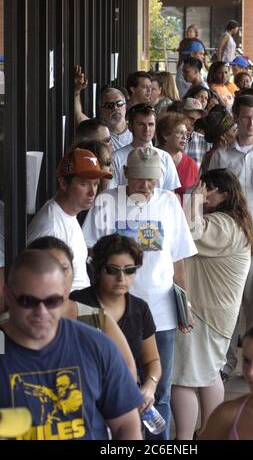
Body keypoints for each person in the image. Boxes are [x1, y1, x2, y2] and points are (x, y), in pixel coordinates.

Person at [83, 147, 197, 439]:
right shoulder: (107, 201)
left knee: (159, 393)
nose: (146, 186)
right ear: (126, 174)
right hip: (116, 313)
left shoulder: (169, 201)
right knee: (114, 391)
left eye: (152, 179)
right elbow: (90, 254)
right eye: (140, 179)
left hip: (161, 312)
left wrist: (184, 303)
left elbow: (178, 258)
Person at [0, 250, 143, 440]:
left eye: (52, 301)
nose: (41, 311)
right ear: (8, 296)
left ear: (65, 296)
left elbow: (126, 424)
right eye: (28, 301)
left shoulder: (94, 344)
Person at [171, 169, 253, 440]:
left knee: (181, 379)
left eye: (207, 188)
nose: (201, 191)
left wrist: (193, 200)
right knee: (208, 374)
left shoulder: (223, 224)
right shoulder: (234, 222)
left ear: (224, 194)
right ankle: (210, 433)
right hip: (215, 314)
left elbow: (186, 231)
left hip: (205, 314)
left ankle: (183, 441)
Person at [209, 95, 253, 380]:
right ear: (236, 117)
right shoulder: (222, 155)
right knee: (229, 302)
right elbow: (208, 194)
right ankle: (226, 362)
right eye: (246, 117)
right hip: (228, 238)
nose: (251, 123)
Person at [71, 234, 162, 417]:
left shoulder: (140, 309)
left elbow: (152, 361)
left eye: (129, 270)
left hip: (126, 400)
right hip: (82, 401)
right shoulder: (76, 304)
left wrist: (150, 385)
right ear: (97, 270)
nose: (121, 277)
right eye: (112, 270)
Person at [27, 236, 137, 380]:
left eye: (64, 269)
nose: (56, 276)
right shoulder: (6, 326)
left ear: (73, 272)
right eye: (47, 268)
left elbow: (127, 374)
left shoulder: (97, 320)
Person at [27, 149, 111, 291]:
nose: (92, 192)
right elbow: (41, 287)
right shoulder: (51, 228)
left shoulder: (69, 214)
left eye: (95, 184)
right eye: (84, 184)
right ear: (64, 184)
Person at [109, 103, 180, 191]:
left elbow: (169, 195)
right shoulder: (116, 158)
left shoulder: (165, 157)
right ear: (130, 127)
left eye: (151, 124)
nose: (146, 129)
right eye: (141, 124)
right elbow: (111, 192)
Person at [74, 66, 133, 152]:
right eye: (109, 105)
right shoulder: (97, 131)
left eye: (119, 103)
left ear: (126, 106)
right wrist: (76, 92)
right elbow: (78, 117)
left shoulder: (136, 129)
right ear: (101, 109)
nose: (115, 108)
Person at [156, 112, 199, 203]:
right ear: (165, 135)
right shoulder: (152, 158)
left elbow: (197, 199)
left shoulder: (191, 164)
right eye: (180, 133)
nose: (185, 138)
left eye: (187, 134)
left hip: (184, 216)